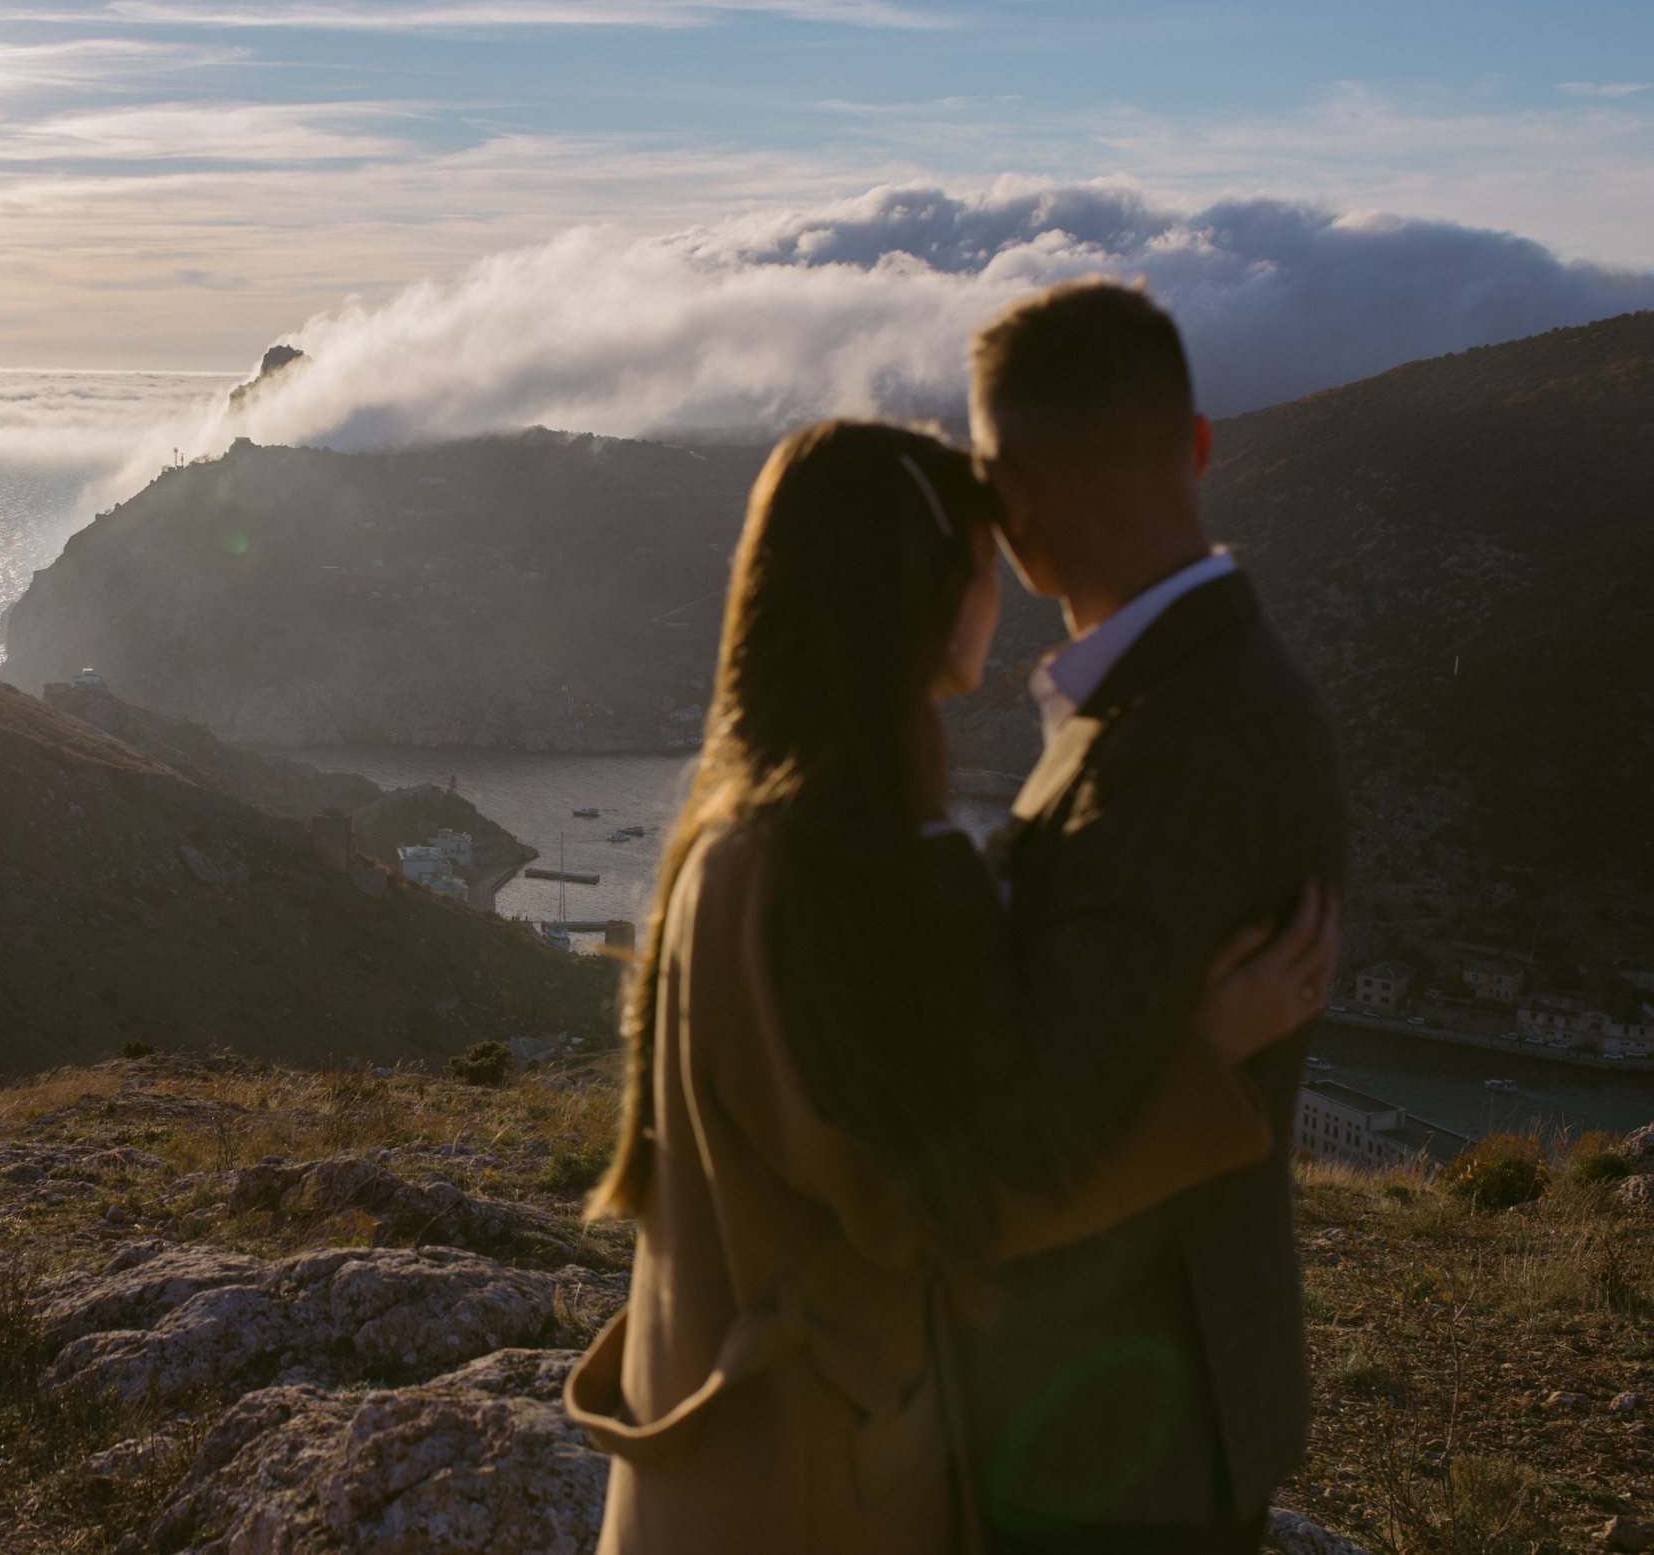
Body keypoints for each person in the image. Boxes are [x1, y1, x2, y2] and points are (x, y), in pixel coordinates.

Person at [563, 418, 1338, 1552]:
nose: (1000, 589)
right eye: (979, 561)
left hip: (713, 1460)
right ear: (916, 586)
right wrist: (1198, 1058)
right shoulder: (840, 872)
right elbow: (948, 1208)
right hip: (819, 1485)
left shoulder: (733, 834)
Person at [950, 279, 1347, 1553]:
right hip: (1172, 1398)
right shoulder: (1232, 688)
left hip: (1109, 1436)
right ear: (1199, 446)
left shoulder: (1163, 744)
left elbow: (1047, 1131)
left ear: (1004, 496)